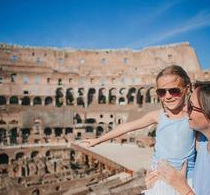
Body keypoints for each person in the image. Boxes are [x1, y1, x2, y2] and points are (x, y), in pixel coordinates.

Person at [80, 65, 196, 194]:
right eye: (161, 92)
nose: (168, 96)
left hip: (187, 179)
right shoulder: (157, 115)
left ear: (186, 89)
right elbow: (127, 126)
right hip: (160, 178)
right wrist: (99, 140)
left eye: (174, 91)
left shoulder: (195, 116)